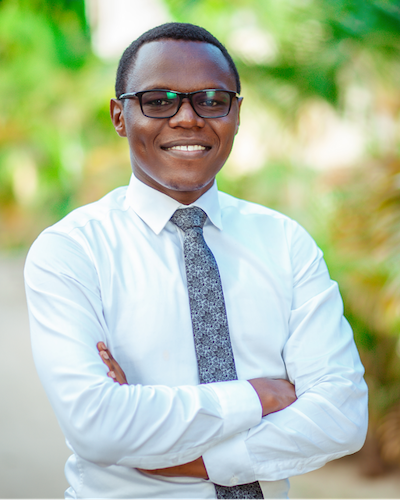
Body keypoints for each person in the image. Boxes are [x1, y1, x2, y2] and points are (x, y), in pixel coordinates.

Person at [24, 22, 368, 500]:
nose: (187, 118)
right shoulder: (72, 251)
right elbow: (96, 425)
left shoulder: (285, 242)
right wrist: (260, 396)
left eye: (211, 99)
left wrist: (196, 461)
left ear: (236, 115)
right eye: (158, 100)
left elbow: (342, 418)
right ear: (119, 116)